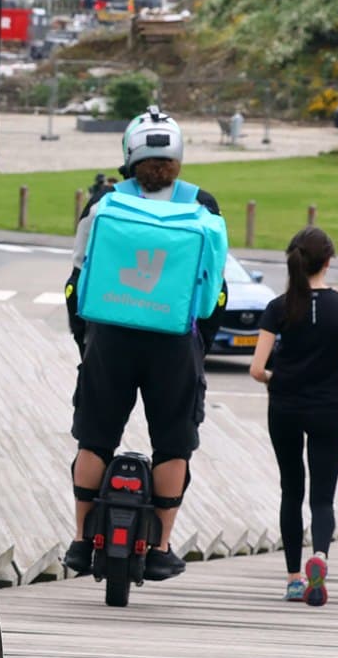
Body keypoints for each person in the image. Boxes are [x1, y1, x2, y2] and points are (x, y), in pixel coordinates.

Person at [63, 108, 226, 582]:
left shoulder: (105, 202)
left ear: (129, 153)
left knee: (94, 439)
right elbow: (215, 290)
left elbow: (76, 280)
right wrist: (198, 345)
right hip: (173, 345)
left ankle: (80, 541)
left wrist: (85, 339)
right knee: (174, 445)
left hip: (111, 337)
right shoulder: (202, 205)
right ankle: (160, 547)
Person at [249, 227, 338, 606]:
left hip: (285, 407)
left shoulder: (278, 307)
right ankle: (321, 556)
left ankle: (294, 578)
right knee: (323, 496)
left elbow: (256, 368)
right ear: (328, 261)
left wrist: (275, 379)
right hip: (329, 407)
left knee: (291, 489)